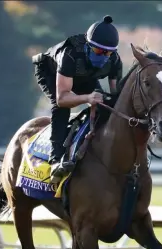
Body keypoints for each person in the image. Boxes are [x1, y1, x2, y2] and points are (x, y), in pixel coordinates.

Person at [32, 15, 123, 184]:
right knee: (61, 108)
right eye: (99, 51)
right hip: (51, 71)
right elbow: (62, 98)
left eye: (108, 53)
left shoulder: (115, 61)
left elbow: (116, 98)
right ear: (89, 46)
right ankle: (55, 160)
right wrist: (88, 97)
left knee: (104, 105)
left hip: (85, 75)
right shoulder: (70, 54)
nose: (104, 56)